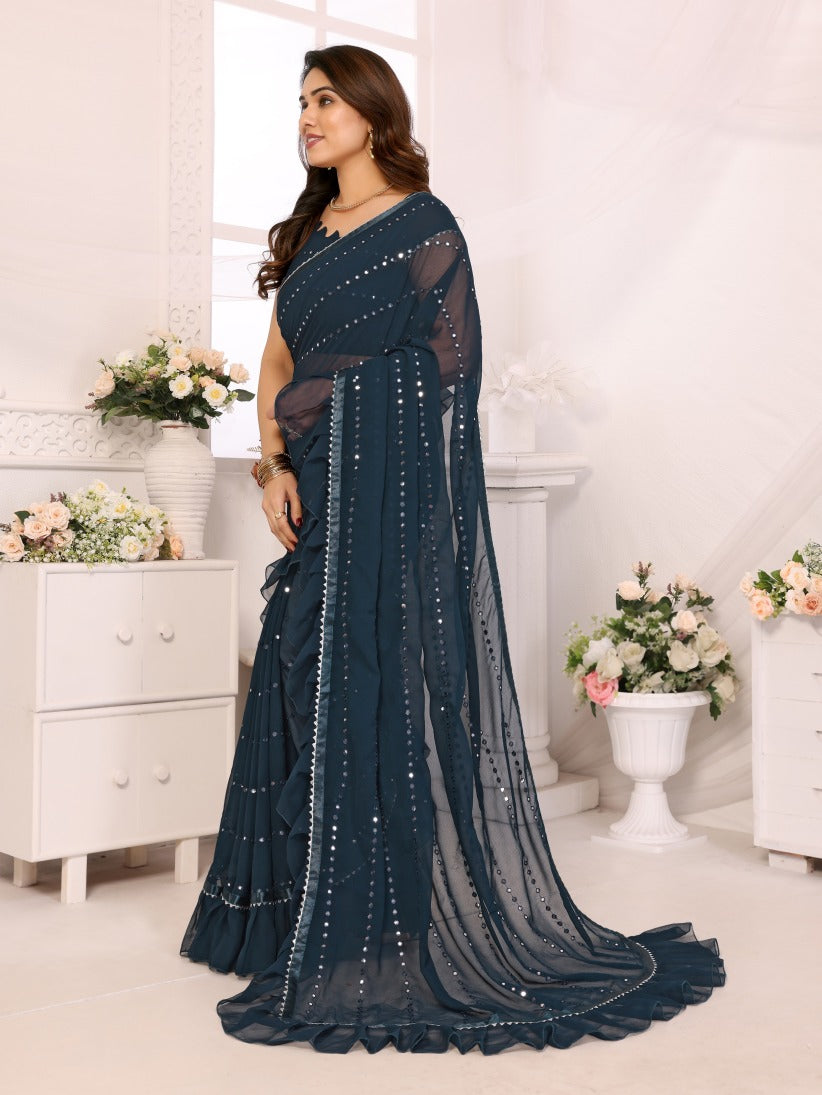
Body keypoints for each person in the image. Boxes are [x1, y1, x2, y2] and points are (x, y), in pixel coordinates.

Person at [180, 44, 725, 1054]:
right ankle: (290, 915)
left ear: (372, 113)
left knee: (374, 686)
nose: (307, 117)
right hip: (314, 495)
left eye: (325, 100)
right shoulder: (309, 233)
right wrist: (273, 466)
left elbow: (446, 371)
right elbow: (277, 363)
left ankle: (376, 923)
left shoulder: (424, 227)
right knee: (299, 685)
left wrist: (338, 406)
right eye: (300, 102)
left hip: (383, 506)